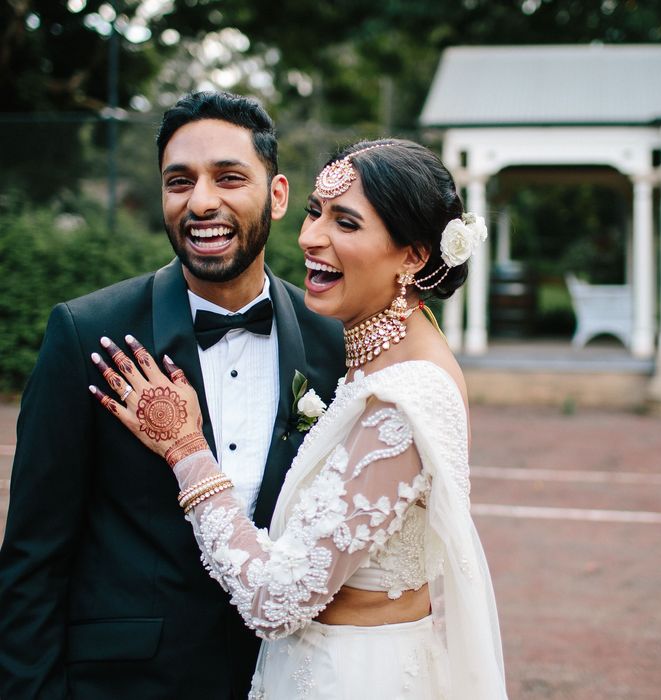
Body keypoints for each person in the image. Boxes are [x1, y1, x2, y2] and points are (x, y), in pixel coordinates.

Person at [88, 138, 508, 698]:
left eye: (346, 223)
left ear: (413, 255)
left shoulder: (408, 394)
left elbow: (275, 599)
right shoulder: (370, 361)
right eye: (314, 212)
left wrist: (186, 448)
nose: (310, 237)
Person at [0, 92, 345, 699]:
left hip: (286, 676)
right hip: (126, 682)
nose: (201, 201)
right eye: (178, 181)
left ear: (279, 194)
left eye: (229, 177)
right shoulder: (88, 334)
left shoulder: (332, 341)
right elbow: (33, 556)